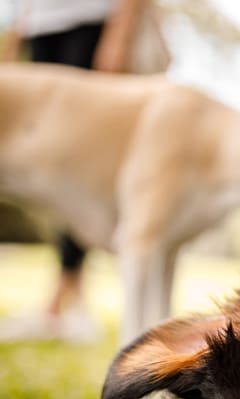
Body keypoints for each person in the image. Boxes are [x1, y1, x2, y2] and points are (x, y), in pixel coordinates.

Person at [1, 0, 167, 341]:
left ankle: (69, 298)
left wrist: (119, 34)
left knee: (79, 165)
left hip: (92, 19)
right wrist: (18, 29)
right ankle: (59, 300)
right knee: (50, 166)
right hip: (42, 25)